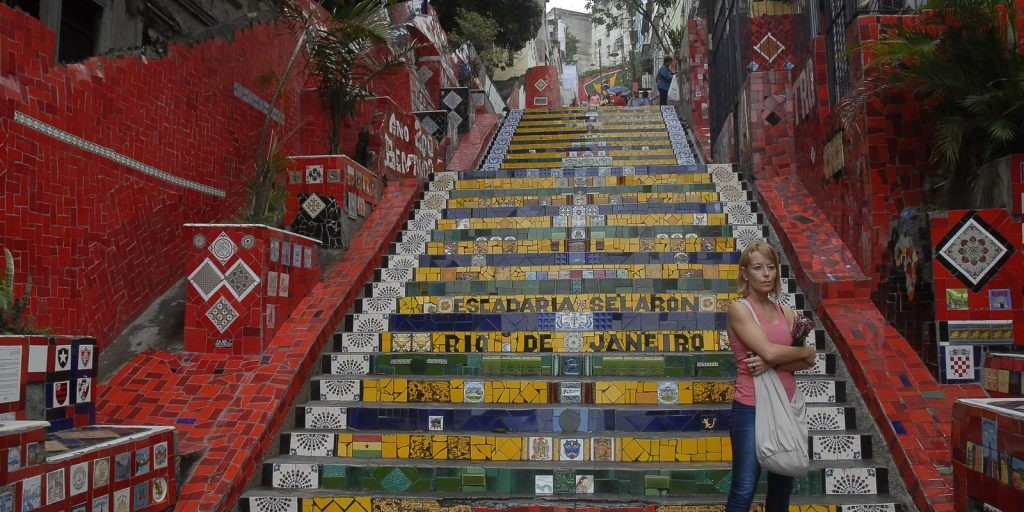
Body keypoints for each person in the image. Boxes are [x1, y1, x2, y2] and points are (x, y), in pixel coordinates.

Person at [725, 241, 816, 512]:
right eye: (758, 268)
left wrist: (777, 359)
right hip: (751, 407)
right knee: (744, 488)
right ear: (745, 273)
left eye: (771, 267)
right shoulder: (740, 309)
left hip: (787, 406)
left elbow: (808, 360)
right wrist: (792, 353)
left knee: (781, 492)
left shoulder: (785, 312)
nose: (766, 274)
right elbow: (769, 351)